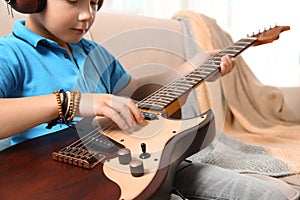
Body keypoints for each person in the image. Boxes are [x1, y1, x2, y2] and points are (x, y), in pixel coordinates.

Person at [0, 0, 287, 199]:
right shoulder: (10, 53)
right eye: (74, 1)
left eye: (93, 3)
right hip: (53, 178)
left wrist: (197, 67)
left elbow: (138, 98)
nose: (87, 15)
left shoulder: (96, 53)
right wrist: (71, 102)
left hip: (143, 159)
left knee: (265, 194)